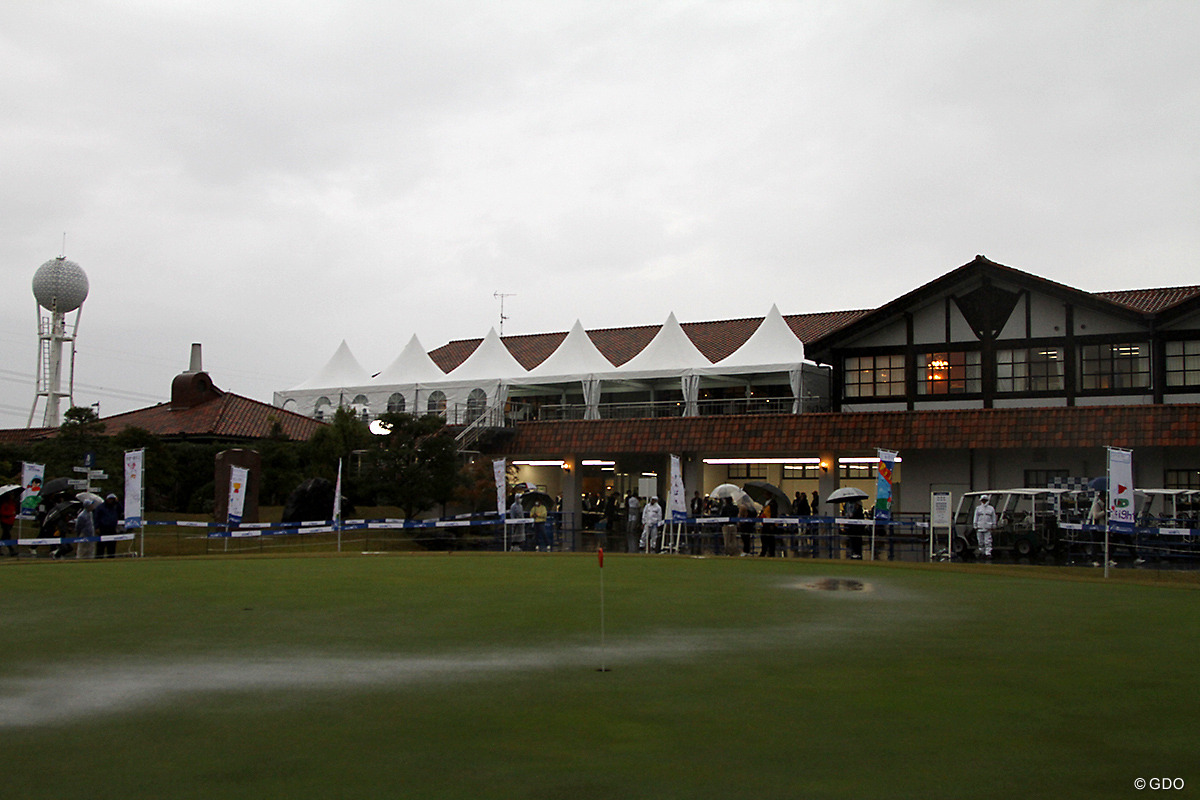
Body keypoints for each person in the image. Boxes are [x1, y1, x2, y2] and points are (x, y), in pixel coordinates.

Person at [95, 493, 121, 559]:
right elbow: (96, 518)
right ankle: (99, 559)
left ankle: (111, 558)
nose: (111, 501)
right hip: (103, 528)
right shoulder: (100, 507)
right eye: (110, 499)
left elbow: (121, 510)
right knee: (101, 546)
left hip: (112, 528)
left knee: (112, 546)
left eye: (113, 499)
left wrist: (117, 502)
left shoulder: (115, 506)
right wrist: (97, 527)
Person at [974, 494, 997, 560]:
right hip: (979, 527)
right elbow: (975, 517)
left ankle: (988, 553)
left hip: (988, 527)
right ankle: (981, 552)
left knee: (988, 541)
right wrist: (975, 525)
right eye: (983, 500)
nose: (984, 502)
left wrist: (994, 525)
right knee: (980, 541)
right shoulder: (978, 508)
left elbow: (993, 518)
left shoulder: (991, 508)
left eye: (985, 500)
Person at [0, 491, 18, 557]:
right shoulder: (5, 504)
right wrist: (10, 514)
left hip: (11, 522)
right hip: (5, 522)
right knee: (7, 536)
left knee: (5, 536)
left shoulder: (12, 503)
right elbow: (2, 512)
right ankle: (11, 550)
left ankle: (10, 549)